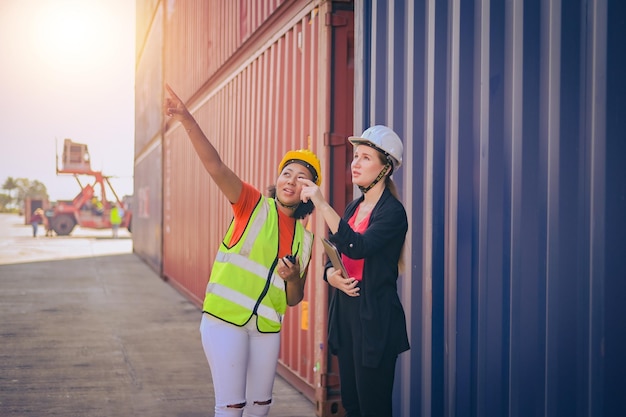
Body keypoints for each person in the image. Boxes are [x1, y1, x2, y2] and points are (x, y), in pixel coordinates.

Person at [164, 84, 321, 417]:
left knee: (261, 407)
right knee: (232, 406)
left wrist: (293, 278)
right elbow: (216, 167)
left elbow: (293, 299)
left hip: (266, 328)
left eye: (301, 178)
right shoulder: (252, 204)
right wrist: (186, 117)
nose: (290, 181)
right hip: (225, 320)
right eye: (286, 173)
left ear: (309, 192)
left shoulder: (305, 240)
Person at [299, 125, 410, 417]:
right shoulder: (352, 208)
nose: (355, 163)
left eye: (365, 158)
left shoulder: (392, 213)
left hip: (374, 321)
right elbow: (334, 256)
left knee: (373, 408)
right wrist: (330, 276)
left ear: (385, 168)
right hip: (348, 318)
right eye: (355, 156)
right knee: (352, 404)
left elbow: (357, 246)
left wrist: (321, 204)